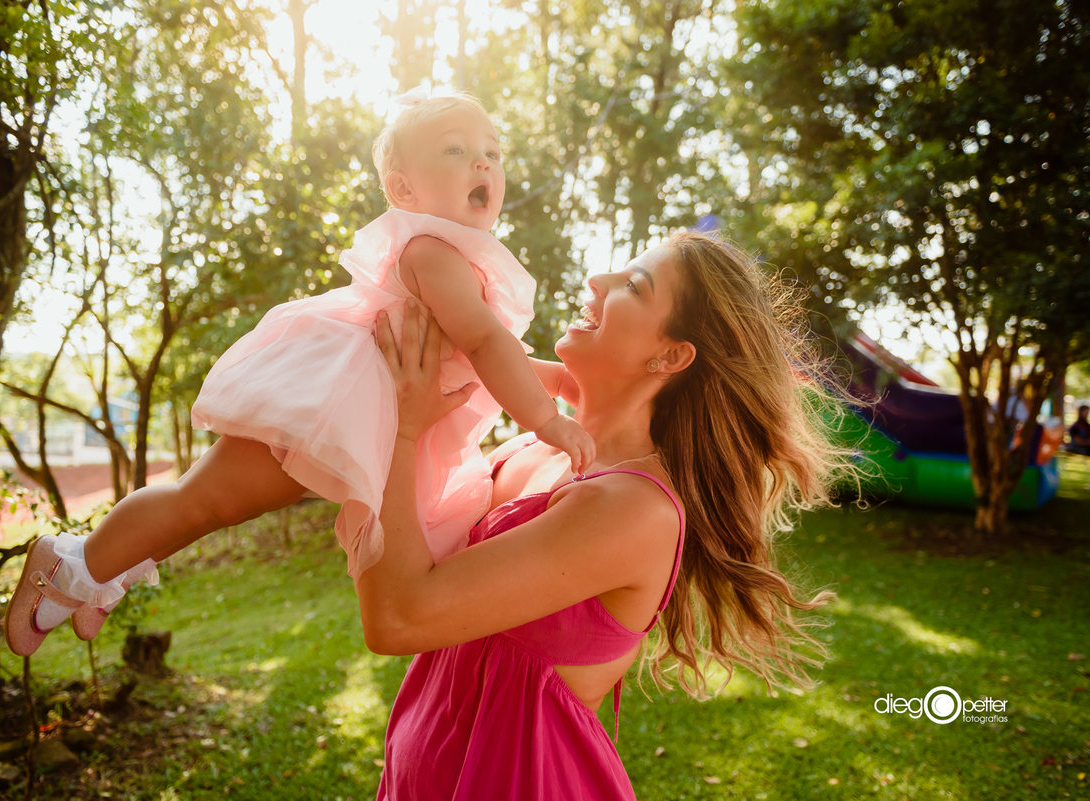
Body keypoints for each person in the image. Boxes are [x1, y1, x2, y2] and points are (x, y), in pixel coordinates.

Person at [3, 91, 595, 657]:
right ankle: (75, 563)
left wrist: (551, 379)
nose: (483, 162)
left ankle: (107, 566)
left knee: (219, 505)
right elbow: (486, 344)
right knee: (203, 499)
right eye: (456, 149)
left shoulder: (457, 262)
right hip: (330, 402)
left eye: (492, 151)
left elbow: (471, 355)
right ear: (403, 190)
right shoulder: (432, 252)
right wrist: (546, 420)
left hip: (350, 413)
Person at [360, 232, 855, 799]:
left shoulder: (632, 507)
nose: (597, 281)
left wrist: (400, 431)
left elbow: (397, 617)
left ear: (671, 356)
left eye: (634, 286)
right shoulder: (537, 448)